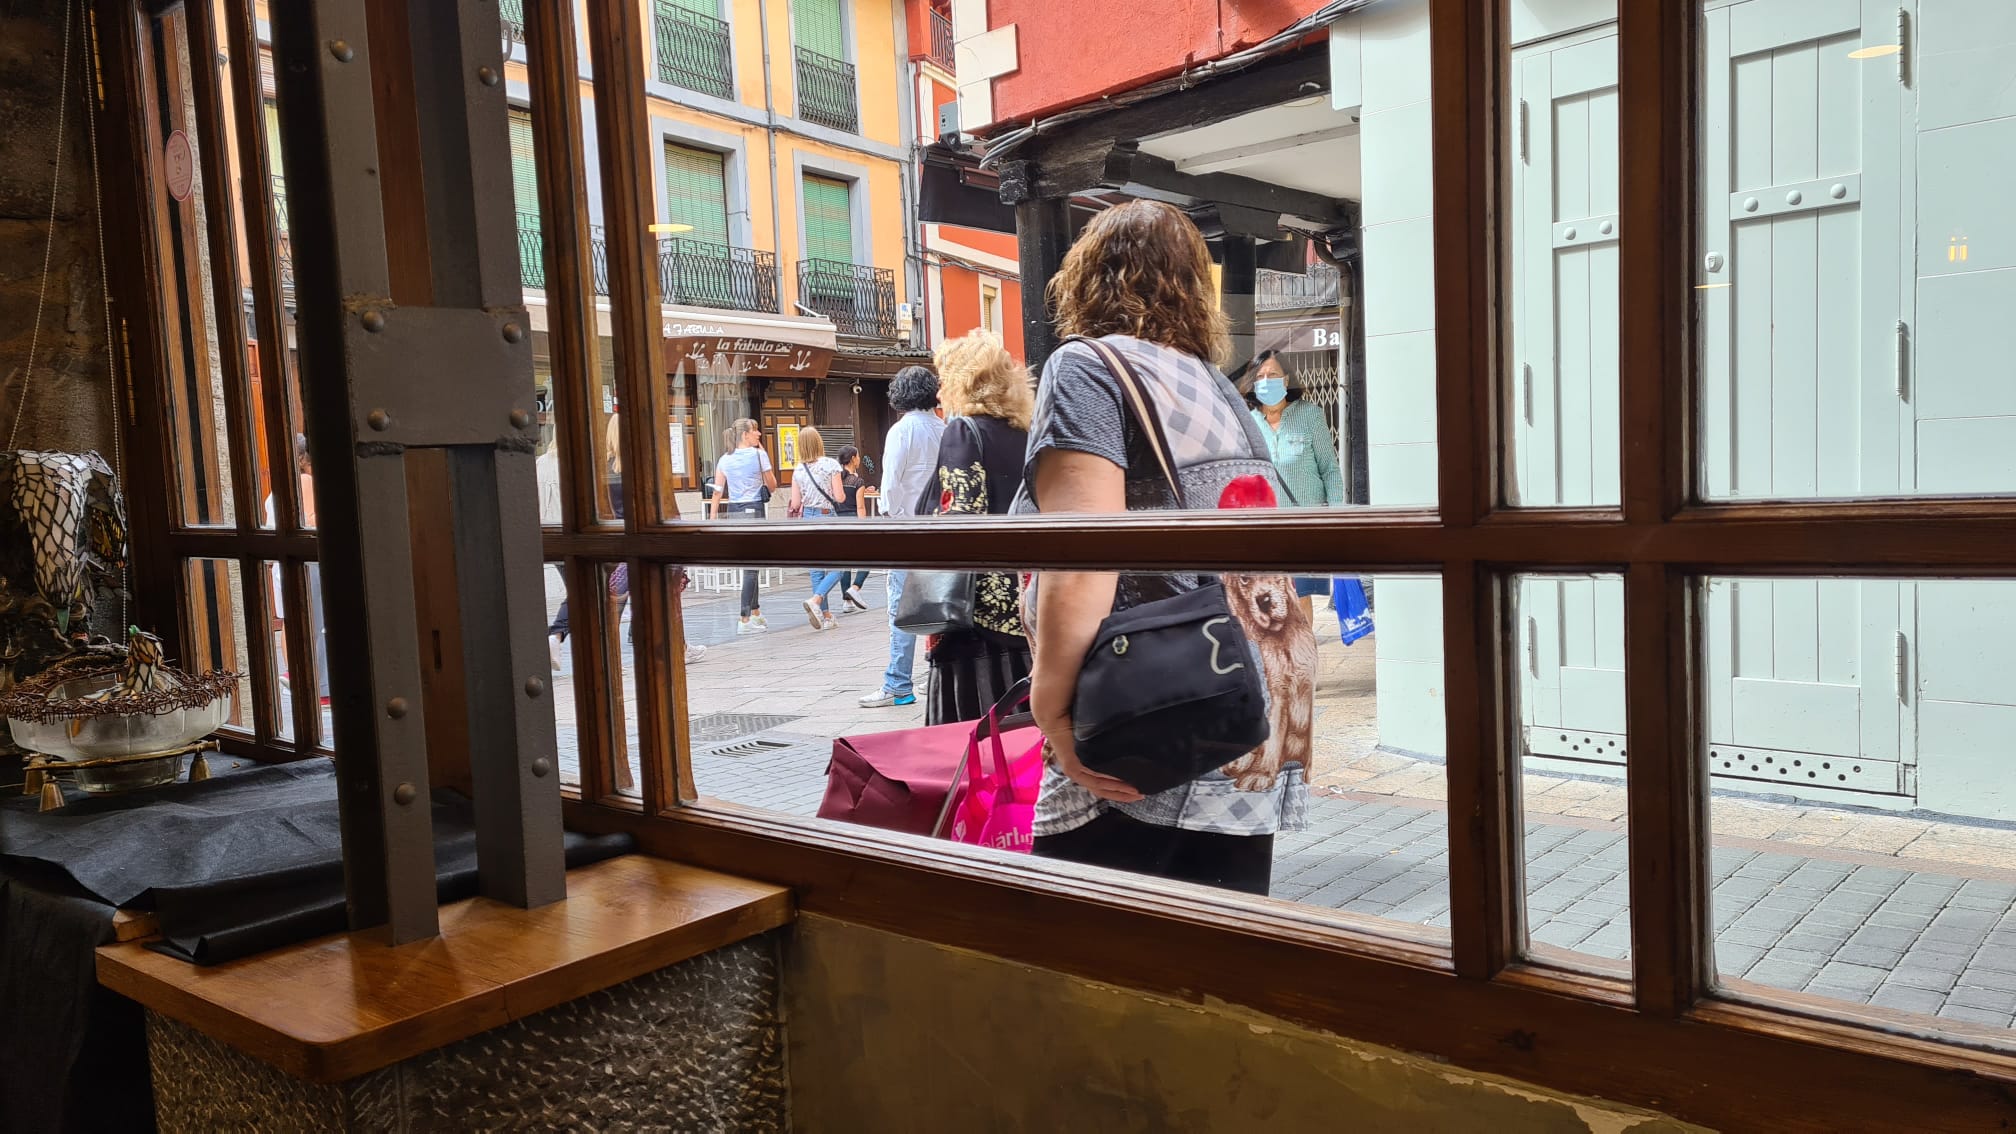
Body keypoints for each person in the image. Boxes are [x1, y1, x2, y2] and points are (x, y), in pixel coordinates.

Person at [1017, 199, 1312, 897]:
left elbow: (1085, 548)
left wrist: (1049, 707)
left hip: (1156, 692)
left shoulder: (1085, 369)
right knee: (1212, 944)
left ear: (1084, 279)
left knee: (1095, 947)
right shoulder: (1216, 386)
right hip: (1250, 691)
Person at [921, 330, 1033, 725]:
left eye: (943, 381)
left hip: (976, 618)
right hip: (1026, 606)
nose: (938, 395)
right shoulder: (1026, 434)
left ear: (963, 382)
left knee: (974, 735)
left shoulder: (963, 431)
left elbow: (959, 520)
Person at [858, 366, 945, 708]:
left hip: (907, 530)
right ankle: (936, 675)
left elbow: (891, 484)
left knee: (901, 609)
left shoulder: (901, 431)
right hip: (939, 530)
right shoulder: (945, 428)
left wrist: (890, 515)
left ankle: (898, 683)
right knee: (940, 606)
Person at [1244, 349, 1344, 622]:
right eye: (1260, 376)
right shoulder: (1247, 422)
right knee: (1266, 599)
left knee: (1299, 598)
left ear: (1286, 380)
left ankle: (1303, 660)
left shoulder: (1310, 416)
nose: (1266, 380)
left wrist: (1337, 518)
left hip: (1302, 526)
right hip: (1262, 530)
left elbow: (1330, 471)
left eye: (1273, 374)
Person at [712, 417, 778, 633]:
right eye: (755, 431)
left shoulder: (724, 459)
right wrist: (762, 457)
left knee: (751, 562)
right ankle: (744, 617)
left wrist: (713, 517)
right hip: (754, 509)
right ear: (745, 435)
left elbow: (718, 491)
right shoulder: (759, 455)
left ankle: (756, 611)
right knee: (751, 567)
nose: (758, 434)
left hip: (733, 511)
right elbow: (773, 485)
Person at [790, 426, 847, 629]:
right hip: (827, 516)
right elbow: (840, 497)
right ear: (819, 442)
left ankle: (825, 616)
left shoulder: (798, 470)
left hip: (808, 518)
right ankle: (816, 600)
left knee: (816, 568)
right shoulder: (830, 464)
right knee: (840, 566)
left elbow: (795, 503)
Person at [833, 445, 872, 611]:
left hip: (837, 521)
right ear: (853, 458)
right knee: (868, 558)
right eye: (858, 457)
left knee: (844, 562)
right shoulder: (857, 481)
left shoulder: (835, 479)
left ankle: (846, 601)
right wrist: (864, 528)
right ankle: (855, 588)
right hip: (853, 520)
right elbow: (860, 507)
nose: (859, 459)